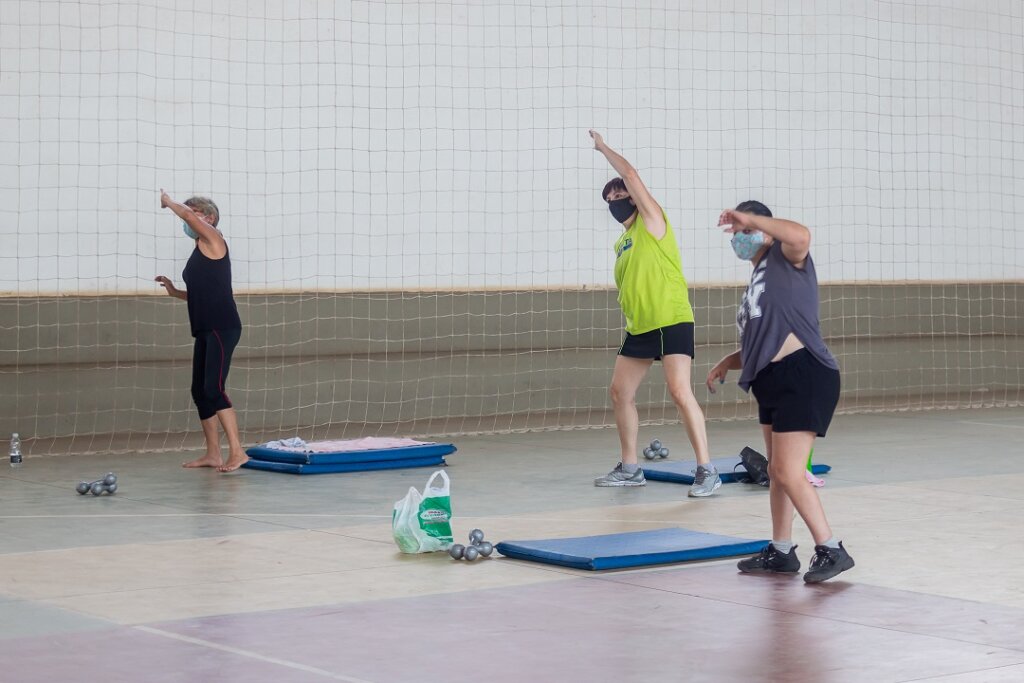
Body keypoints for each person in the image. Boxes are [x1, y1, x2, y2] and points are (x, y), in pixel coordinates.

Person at [707, 201, 854, 583]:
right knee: (776, 472)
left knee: (790, 471)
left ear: (764, 229)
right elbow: (763, 339)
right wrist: (728, 361)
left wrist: (753, 220)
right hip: (769, 380)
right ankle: (781, 550)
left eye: (744, 230)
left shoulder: (787, 259)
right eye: (736, 232)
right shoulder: (758, 277)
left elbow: (801, 235)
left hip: (803, 374)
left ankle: (830, 547)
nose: (739, 238)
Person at [590, 131, 718, 497]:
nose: (616, 201)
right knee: (619, 392)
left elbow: (630, 173)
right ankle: (631, 468)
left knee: (679, 391)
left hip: (671, 319)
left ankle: (706, 470)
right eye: (610, 199)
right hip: (640, 327)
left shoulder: (653, 223)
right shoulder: (622, 241)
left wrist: (603, 148)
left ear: (634, 198)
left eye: (620, 196)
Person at [154, 190, 248, 472]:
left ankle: (238, 452)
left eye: (193, 212)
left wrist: (169, 202)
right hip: (205, 327)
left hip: (222, 325)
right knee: (199, 390)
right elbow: (204, 292)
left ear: (209, 218)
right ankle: (213, 454)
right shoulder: (198, 251)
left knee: (213, 389)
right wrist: (175, 293)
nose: (187, 217)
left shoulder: (214, 240)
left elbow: (183, 214)